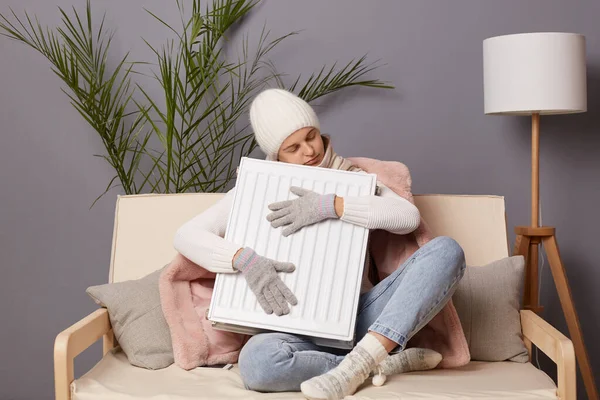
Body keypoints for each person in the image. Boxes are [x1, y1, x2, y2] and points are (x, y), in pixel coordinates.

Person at [173, 89, 466, 400]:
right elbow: (185, 235)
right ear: (276, 155)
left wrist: (334, 206)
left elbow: (407, 217)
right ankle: (378, 362)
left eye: (311, 136)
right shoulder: (255, 188)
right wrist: (244, 260)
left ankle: (365, 356)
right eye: (293, 147)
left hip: (363, 315)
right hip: (293, 326)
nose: (308, 151)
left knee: (447, 250)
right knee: (257, 363)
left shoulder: (353, 177)